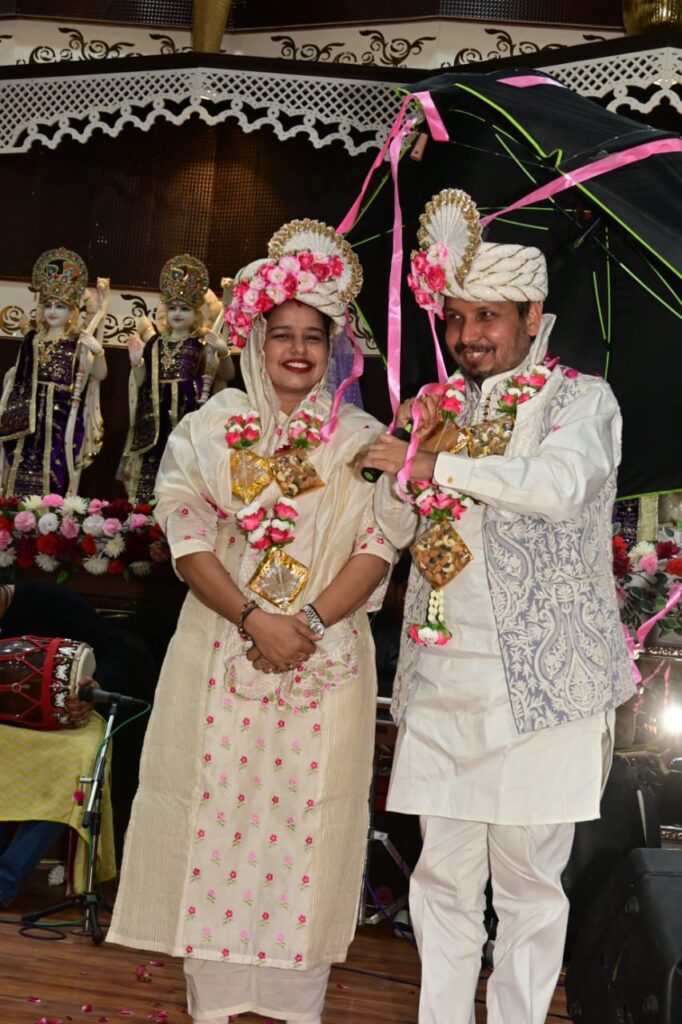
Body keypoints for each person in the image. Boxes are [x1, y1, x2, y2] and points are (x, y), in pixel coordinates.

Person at [108, 219, 396, 1024]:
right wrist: (252, 618)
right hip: (220, 658)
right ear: (256, 341)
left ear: (334, 348)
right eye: (283, 335)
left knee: (307, 829)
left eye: (314, 336)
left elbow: (378, 547)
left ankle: (298, 1008)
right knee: (219, 822)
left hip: (323, 662)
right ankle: (214, 1007)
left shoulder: (362, 440)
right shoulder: (209, 430)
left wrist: (304, 623)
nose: (298, 351)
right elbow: (187, 539)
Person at [361, 188, 634, 1024]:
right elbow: (392, 528)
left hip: (544, 691)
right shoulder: (438, 410)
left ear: (531, 317)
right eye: (455, 319)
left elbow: (556, 487)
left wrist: (434, 466)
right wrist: (407, 449)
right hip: (443, 680)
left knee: (528, 887)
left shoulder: (581, 402)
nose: (468, 336)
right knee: (440, 879)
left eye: (488, 317)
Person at [0, 579, 158, 900]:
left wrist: (95, 687)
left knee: (79, 761)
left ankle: (5, 879)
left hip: (73, 715)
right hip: (9, 722)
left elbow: (118, 645)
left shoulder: (43, 598)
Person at [121, 254, 234, 503]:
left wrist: (224, 353)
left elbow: (226, 376)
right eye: (173, 308)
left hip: (188, 413)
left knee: (183, 468)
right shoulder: (154, 343)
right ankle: (142, 515)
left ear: (196, 314)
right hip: (154, 415)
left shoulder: (200, 344)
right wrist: (137, 363)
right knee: (149, 466)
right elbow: (141, 381)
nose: (177, 313)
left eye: (184, 309)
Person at [0, 247, 107, 497]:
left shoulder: (77, 342)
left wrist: (98, 352)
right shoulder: (32, 340)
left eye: (60, 306)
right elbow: (18, 375)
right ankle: (15, 511)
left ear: (71, 312)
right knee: (19, 462)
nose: (52, 311)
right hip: (26, 414)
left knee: (55, 467)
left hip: (61, 415)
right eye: (48, 305)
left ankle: (52, 513)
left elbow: (100, 375)